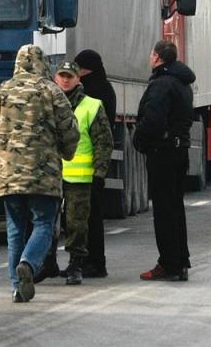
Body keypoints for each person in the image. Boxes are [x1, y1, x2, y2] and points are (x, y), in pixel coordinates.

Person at [0, 45, 79, 303]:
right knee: (44, 224)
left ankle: (17, 288)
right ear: (43, 64)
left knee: (15, 229)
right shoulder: (52, 91)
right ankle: (29, 264)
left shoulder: (1, 91)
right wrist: (66, 152)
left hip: (8, 175)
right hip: (44, 173)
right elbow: (70, 131)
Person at [133, 40, 195, 282]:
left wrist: (140, 138)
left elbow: (153, 120)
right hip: (179, 150)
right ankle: (180, 261)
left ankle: (169, 264)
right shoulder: (182, 82)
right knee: (176, 208)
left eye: (152, 53)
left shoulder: (161, 84)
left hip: (163, 152)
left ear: (158, 58)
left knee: (164, 211)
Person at [51, 61, 113, 286]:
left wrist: (100, 172)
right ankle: (48, 263)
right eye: (62, 76)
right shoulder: (47, 104)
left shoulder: (92, 106)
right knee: (48, 222)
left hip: (80, 178)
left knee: (77, 224)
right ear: (55, 78)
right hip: (50, 175)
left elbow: (103, 142)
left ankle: (76, 264)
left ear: (78, 79)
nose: (65, 80)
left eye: (70, 76)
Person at [74, 49, 116, 279]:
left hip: (88, 163)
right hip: (94, 162)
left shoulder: (91, 91)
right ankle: (93, 261)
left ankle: (94, 262)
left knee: (89, 217)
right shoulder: (105, 88)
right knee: (91, 216)